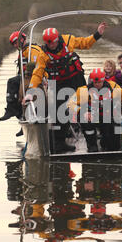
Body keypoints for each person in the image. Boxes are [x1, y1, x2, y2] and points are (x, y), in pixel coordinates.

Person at [27, 23, 108, 153]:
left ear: (57, 39)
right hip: (58, 84)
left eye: (53, 42)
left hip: (76, 81)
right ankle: (59, 145)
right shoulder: (43, 54)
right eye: (48, 44)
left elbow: (85, 43)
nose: (51, 46)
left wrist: (97, 34)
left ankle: (92, 145)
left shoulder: (68, 40)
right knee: (60, 115)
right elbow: (38, 72)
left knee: (83, 112)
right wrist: (31, 91)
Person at [67, 68, 122, 153]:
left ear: (103, 80)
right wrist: (81, 111)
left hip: (108, 117)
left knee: (113, 145)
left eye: (99, 82)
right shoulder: (83, 90)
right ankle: (92, 145)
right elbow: (70, 104)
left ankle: (106, 142)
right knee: (86, 122)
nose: (97, 84)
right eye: (95, 82)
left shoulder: (113, 87)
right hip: (91, 117)